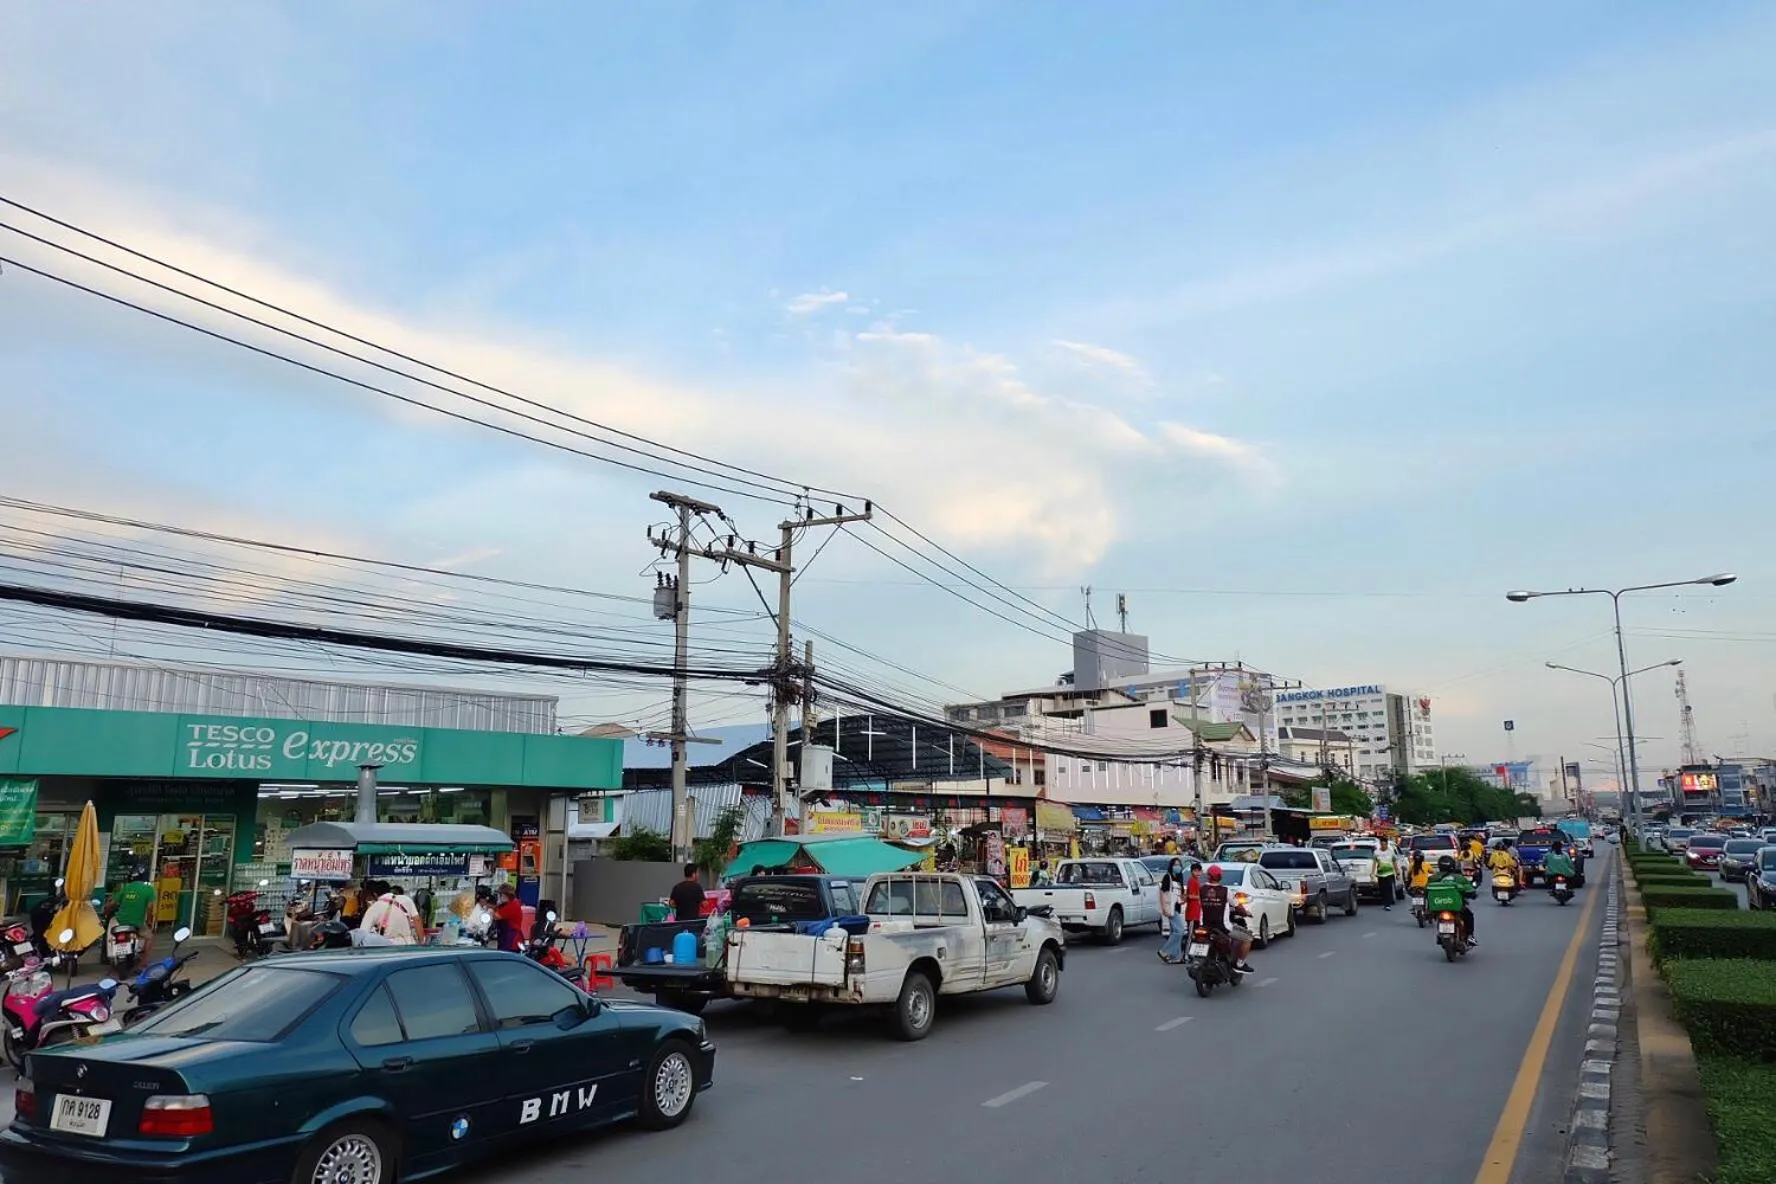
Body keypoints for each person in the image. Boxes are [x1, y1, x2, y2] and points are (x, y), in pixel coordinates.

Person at [1198, 865, 1254, 974]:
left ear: (1208, 876)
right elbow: (1238, 906)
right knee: (1248, 938)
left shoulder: (1201, 889)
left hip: (1204, 926)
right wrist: (1246, 913)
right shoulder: (1225, 891)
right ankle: (1239, 964)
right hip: (1223, 927)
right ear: (1220, 877)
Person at [1433, 855, 1478, 947]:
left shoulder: (1434, 878)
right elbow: (1469, 889)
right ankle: (1470, 936)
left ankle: (1440, 935)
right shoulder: (1459, 878)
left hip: (1439, 906)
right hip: (1457, 907)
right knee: (1469, 915)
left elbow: (1427, 890)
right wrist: (1472, 894)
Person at [1158, 858, 1186, 963]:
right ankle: (1164, 950)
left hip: (1177, 907)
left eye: (1179, 865)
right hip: (1170, 908)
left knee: (1176, 931)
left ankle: (1176, 956)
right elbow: (1162, 893)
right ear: (1171, 866)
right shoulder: (1167, 877)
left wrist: (1183, 899)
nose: (1177, 867)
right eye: (1175, 865)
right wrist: (1164, 907)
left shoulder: (1179, 878)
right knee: (1180, 931)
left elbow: (1178, 895)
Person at [493, 882, 526, 953]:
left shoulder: (512, 905)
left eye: (500, 894)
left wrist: (490, 911)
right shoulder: (511, 903)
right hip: (506, 936)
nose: (499, 896)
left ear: (506, 895)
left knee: (506, 958)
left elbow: (496, 916)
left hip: (511, 939)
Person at [1373, 837, 1398, 911]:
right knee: (1382, 889)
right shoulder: (1376, 852)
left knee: (1388, 888)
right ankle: (1385, 902)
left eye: (1385, 844)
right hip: (1380, 874)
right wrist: (1372, 873)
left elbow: (1394, 862)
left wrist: (1398, 873)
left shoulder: (1391, 852)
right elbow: (1374, 863)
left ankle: (1388, 904)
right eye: (1382, 844)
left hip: (1390, 873)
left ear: (1387, 844)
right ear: (1380, 844)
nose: (1383, 846)